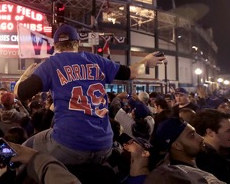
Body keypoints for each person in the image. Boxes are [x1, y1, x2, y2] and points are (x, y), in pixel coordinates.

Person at [14, 24, 166, 165]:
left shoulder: (51, 64)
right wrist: (146, 61)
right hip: (104, 144)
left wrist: (25, 76)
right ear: (77, 43)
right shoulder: (96, 60)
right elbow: (132, 72)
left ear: (55, 45)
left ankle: (7, 171)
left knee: (23, 149)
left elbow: (20, 93)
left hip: (69, 144)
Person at [146, 117, 225, 183]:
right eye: (191, 135)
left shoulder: (208, 161)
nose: (201, 138)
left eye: (195, 133)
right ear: (177, 146)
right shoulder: (175, 178)